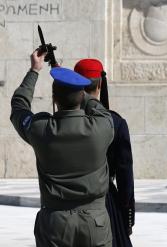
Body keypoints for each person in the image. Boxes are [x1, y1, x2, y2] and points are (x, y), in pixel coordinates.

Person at [10, 50, 114, 246]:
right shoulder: (102, 127)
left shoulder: (40, 130)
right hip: (95, 222)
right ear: (81, 95)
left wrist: (34, 70)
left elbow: (18, 106)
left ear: (54, 99)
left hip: (55, 223)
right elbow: (96, 106)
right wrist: (72, 81)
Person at [74, 59, 135, 247]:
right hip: (105, 202)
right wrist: (127, 213)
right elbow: (125, 175)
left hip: (70, 200)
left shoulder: (62, 122)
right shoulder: (115, 123)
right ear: (100, 84)